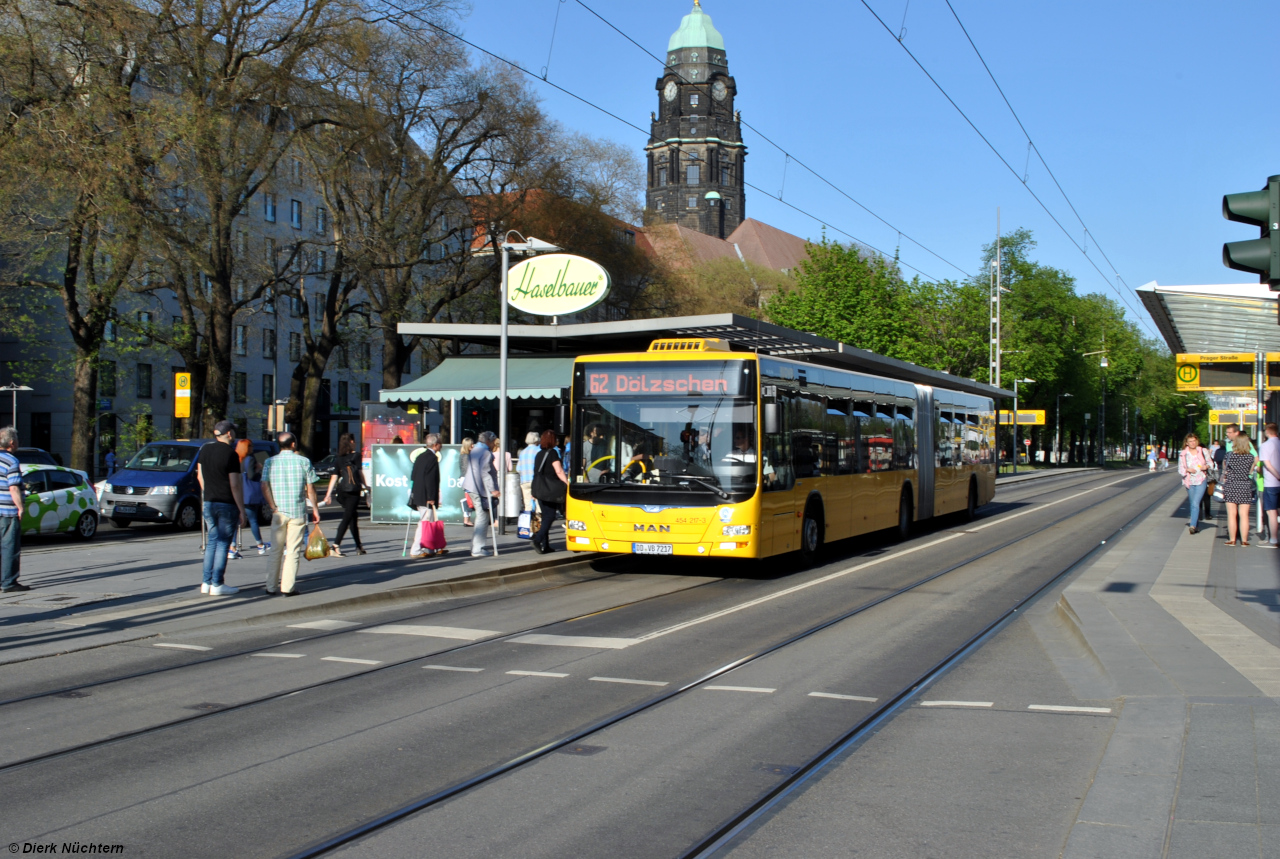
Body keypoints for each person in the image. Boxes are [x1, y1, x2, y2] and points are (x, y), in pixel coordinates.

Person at [261, 432, 320, 596]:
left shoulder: (269, 462)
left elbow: (264, 485)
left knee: (275, 550)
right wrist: (315, 509)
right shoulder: (303, 461)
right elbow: (311, 489)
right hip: (297, 511)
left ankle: (271, 586)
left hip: (278, 511)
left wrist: (272, 505)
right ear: (293, 444)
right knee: (293, 550)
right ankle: (287, 587)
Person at [196, 420, 249, 596]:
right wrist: (241, 509)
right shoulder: (231, 455)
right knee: (223, 544)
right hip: (226, 503)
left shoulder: (205, 449)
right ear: (229, 434)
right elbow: (235, 484)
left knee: (211, 542)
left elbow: (200, 476)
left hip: (209, 502)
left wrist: (209, 491)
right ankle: (217, 583)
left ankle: (206, 582)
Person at [323, 432, 366, 556]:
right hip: (353, 491)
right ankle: (335, 545)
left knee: (353, 518)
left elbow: (334, 477)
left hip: (342, 491)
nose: (356, 442)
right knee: (347, 518)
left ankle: (359, 546)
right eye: (354, 440)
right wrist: (365, 485)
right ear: (351, 442)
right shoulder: (356, 456)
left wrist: (328, 494)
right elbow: (359, 473)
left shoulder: (339, 458)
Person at [407, 433, 447, 558]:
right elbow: (431, 479)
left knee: (428, 521)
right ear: (435, 445)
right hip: (426, 496)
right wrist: (431, 497)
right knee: (425, 522)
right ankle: (416, 549)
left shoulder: (421, 456)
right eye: (440, 443)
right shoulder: (432, 458)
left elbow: (413, 475)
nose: (441, 445)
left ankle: (430, 548)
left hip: (418, 494)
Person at [531, 429, 569, 554]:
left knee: (545, 515)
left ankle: (545, 545)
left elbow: (536, 472)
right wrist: (567, 483)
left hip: (540, 489)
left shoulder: (539, 454)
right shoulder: (553, 453)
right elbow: (558, 471)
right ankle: (538, 539)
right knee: (550, 516)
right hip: (550, 490)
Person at [228, 438, 268, 559]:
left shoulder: (236, 459)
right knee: (253, 519)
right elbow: (251, 475)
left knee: (236, 521)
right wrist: (258, 468)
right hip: (250, 494)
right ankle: (260, 544)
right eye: (251, 445)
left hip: (240, 492)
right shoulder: (250, 459)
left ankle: (232, 546)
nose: (253, 448)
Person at [462, 430, 499, 557]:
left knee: (480, 516)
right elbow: (485, 472)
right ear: (488, 441)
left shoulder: (475, 450)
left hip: (471, 487)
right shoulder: (485, 453)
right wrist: (492, 489)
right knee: (483, 517)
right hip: (479, 488)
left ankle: (475, 545)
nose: (494, 443)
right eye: (493, 441)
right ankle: (478, 548)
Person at [0, 427, 28, 592]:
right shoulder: (11, 461)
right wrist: (20, 507)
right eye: (17, 439)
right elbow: (14, 487)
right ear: (11, 443)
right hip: (8, 511)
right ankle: (9, 582)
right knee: (10, 547)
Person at [1222, 434, 1257, 547]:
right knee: (1244, 515)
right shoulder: (1250, 457)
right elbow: (1251, 471)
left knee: (1232, 514)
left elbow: (1224, 469)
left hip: (1231, 485)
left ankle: (1232, 540)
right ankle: (1244, 540)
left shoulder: (1229, 455)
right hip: (1245, 485)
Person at [1178, 433, 1211, 535]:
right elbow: (1180, 469)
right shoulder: (1183, 454)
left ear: (1197, 441)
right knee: (1193, 504)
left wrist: (1206, 467)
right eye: (1190, 441)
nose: (1193, 443)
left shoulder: (1203, 451)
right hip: (1189, 481)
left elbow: (1210, 463)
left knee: (1196, 503)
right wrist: (1187, 470)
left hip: (1201, 479)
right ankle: (1196, 525)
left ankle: (1192, 525)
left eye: (1194, 441)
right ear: (1187, 443)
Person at [1259, 423, 1280, 548]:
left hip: (1271, 482)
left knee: (1272, 512)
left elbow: (1267, 464)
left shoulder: (1266, 446)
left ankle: (1273, 539)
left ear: (1267, 431)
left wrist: (1277, 475)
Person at [517, 431, 540, 511]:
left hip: (525, 481)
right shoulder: (538, 450)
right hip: (536, 480)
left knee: (527, 505)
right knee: (538, 504)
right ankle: (539, 521)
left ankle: (529, 521)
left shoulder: (522, 452)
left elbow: (518, 469)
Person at [458, 437, 475, 526]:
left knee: (469, 498)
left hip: (464, 479)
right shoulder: (466, 456)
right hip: (466, 479)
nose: (473, 446)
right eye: (471, 444)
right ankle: (466, 520)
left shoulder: (463, 455)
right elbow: (466, 470)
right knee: (469, 499)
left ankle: (467, 519)